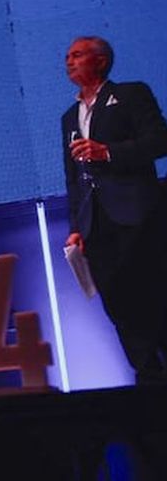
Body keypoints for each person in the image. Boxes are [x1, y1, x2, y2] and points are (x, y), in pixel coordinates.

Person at [62, 35, 167, 384]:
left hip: (138, 215)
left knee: (151, 290)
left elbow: (159, 141)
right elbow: (72, 178)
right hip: (96, 223)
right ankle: (148, 377)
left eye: (77, 55)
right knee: (115, 299)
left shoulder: (131, 95)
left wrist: (107, 152)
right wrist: (76, 224)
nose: (69, 61)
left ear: (101, 61)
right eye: (68, 57)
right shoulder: (68, 117)